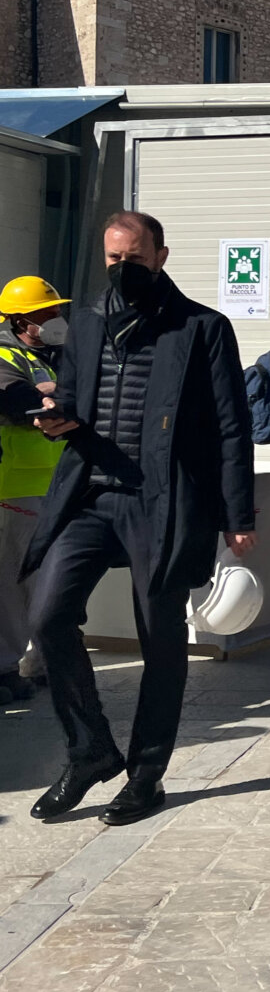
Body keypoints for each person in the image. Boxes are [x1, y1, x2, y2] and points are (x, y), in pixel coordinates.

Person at [25, 212, 254, 825]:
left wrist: (237, 513)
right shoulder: (86, 322)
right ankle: (91, 751)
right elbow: (74, 398)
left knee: (162, 642)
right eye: (113, 258)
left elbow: (232, 427)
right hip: (90, 496)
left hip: (163, 505)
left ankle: (146, 777)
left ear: (161, 256)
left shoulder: (202, 327)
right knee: (48, 618)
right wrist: (56, 419)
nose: (123, 268)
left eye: (134, 258)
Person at [0, 276, 72, 706]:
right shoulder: (5, 355)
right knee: (14, 583)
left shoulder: (56, 355)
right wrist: (47, 397)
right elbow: (18, 403)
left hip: (59, 482)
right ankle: (6, 667)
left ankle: (45, 662)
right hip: (17, 485)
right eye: (45, 313)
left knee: (54, 580)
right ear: (19, 320)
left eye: (56, 310)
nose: (55, 317)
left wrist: (54, 394)